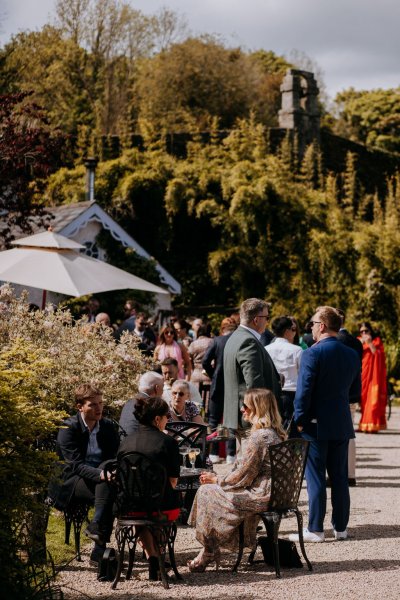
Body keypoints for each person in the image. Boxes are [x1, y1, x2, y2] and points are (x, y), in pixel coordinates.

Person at [187, 388, 286, 571]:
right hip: (273, 492)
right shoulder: (273, 433)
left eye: (246, 405)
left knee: (206, 491)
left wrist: (217, 480)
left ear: (258, 408)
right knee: (210, 491)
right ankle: (208, 549)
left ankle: (208, 550)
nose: (242, 409)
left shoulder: (259, 437)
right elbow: (246, 473)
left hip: (261, 496)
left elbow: (244, 475)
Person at [289, 306, 360, 543]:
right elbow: (355, 392)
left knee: (316, 476)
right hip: (341, 421)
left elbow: (304, 392)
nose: (310, 327)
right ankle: (341, 528)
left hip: (315, 423)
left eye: (312, 323)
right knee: (339, 476)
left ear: (321, 326)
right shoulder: (351, 353)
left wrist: (299, 419)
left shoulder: (312, 353)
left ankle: (316, 528)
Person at [49, 384, 119, 563]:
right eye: (93, 404)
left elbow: (113, 457)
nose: (99, 408)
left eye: (101, 403)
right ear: (79, 406)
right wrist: (102, 475)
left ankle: (95, 527)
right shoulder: (68, 428)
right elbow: (75, 465)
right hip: (71, 479)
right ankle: (99, 549)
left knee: (107, 481)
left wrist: (109, 471)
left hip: (101, 476)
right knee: (107, 486)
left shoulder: (107, 426)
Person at [118, 396, 181, 580]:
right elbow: (173, 481)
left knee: (143, 506)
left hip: (129, 508)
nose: (168, 419)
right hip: (161, 508)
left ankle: (152, 556)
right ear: (157, 419)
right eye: (167, 416)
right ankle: (159, 557)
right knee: (158, 503)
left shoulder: (125, 442)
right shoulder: (168, 442)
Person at [223, 298, 281, 441]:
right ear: (256, 320)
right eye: (266, 317)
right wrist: (261, 418)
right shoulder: (248, 341)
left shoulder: (235, 337)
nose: (267, 322)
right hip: (252, 418)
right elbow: (254, 385)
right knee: (253, 463)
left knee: (245, 461)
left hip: (241, 415)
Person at [202, 317, 237, 463]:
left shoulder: (216, 341)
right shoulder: (237, 341)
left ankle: (214, 453)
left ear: (222, 328)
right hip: (234, 383)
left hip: (217, 383)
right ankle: (230, 454)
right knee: (231, 419)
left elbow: (205, 361)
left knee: (213, 419)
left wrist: (213, 373)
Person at [337, 310, 363, 485]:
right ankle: (350, 474)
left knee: (336, 436)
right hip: (352, 392)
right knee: (350, 433)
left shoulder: (334, 341)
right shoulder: (356, 342)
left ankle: (338, 473)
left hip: (337, 394)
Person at [265, 315, 303, 434]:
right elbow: (302, 374)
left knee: (273, 429)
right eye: (292, 329)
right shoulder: (296, 350)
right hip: (291, 394)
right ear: (287, 331)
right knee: (291, 432)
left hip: (271, 394)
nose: (294, 332)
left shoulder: (266, 349)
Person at [358, 321, 387, 433]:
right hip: (363, 375)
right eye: (362, 331)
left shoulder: (376, 341)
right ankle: (363, 424)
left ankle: (373, 425)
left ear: (371, 331)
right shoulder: (358, 341)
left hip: (374, 377)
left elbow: (379, 356)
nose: (364, 333)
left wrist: (370, 344)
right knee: (364, 400)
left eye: (366, 330)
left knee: (373, 400)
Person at [119, 371, 164, 435]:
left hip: (124, 443)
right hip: (140, 442)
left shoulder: (128, 403)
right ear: (157, 388)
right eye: (162, 387)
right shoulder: (151, 405)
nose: (163, 391)